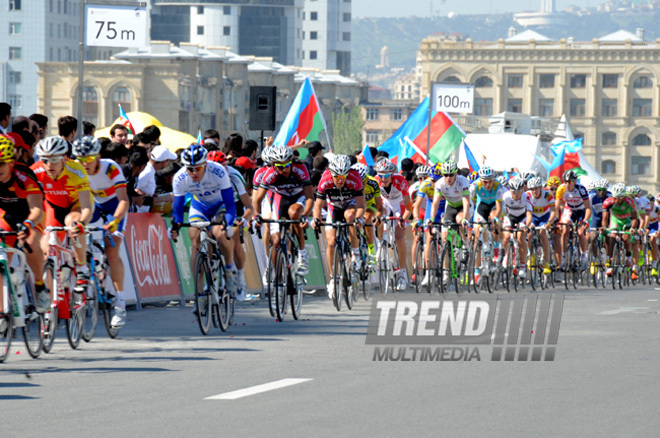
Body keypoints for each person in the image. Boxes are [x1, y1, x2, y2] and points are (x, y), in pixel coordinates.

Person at [72, 137, 129, 328]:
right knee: (78, 231)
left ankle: (120, 304)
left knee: (112, 251)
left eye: (88, 158)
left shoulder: (110, 168)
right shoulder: (76, 167)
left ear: (98, 156)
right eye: (80, 159)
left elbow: (123, 200)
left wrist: (115, 221)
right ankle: (90, 264)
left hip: (114, 207)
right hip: (94, 205)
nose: (84, 163)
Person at [170, 144, 238, 300]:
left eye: (198, 169)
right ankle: (198, 292)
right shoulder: (180, 178)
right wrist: (176, 227)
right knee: (195, 243)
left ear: (205, 165)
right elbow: (178, 211)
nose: (194, 173)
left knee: (219, 233)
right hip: (199, 206)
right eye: (190, 169)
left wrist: (228, 223)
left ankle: (229, 268)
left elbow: (230, 205)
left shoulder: (218, 171)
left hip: (220, 205)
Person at [31, 136, 94, 299]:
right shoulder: (36, 171)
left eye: (54, 160)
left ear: (64, 158)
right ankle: (51, 295)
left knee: (72, 223)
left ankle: (81, 269)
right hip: (53, 206)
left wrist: (82, 223)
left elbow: (87, 206)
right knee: (46, 246)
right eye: (45, 160)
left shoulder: (77, 171)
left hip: (76, 205)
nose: (49, 165)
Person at [0, 135, 48, 315]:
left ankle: (40, 286)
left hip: (30, 214)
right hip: (6, 215)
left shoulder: (24, 175)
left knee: (29, 243)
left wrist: (28, 224)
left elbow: (37, 209)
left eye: (1, 164)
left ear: (11, 162)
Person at [253, 145, 313, 276]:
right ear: (274, 165)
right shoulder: (270, 173)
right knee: (276, 241)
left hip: (299, 196)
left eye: (287, 165)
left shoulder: (301, 168)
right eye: (280, 167)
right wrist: (256, 216)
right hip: (281, 197)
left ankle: (302, 256)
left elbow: (309, 197)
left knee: (294, 212)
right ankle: (278, 281)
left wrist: (305, 215)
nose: (284, 169)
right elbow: (258, 198)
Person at [313, 155, 365, 299]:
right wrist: (316, 219)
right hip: (333, 208)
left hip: (350, 206)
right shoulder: (325, 181)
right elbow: (317, 205)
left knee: (350, 217)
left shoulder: (355, 178)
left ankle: (355, 253)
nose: (341, 180)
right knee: (331, 242)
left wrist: (359, 218)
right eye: (337, 177)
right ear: (331, 174)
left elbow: (361, 206)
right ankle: (333, 279)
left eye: (344, 176)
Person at [375, 158, 412, 290]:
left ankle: (402, 275)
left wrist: (403, 218)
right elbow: (376, 205)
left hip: (399, 205)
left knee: (399, 239)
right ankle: (380, 244)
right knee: (379, 218)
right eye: (380, 175)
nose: (383, 178)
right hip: (385, 203)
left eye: (386, 175)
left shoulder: (400, 181)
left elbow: (409, 207)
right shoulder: (376, 181)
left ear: (391, 174)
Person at [555, 170, 591, 271]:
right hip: (569, 209)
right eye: (565, 181)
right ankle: (563, 256)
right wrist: (557, 221)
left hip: (581, 210)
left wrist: (586, 220)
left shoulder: (581, 189)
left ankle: (584, 256)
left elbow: (588, 208)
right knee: (565, 230)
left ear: (575, 182)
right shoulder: (561, 189)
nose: (567, 184)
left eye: (570, 182)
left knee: (580, 232)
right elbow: (557, 207)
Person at [603, 183, 638, 276]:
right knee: (612, 238)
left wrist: (632, 228)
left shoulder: (630, 201)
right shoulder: (608, 202)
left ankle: (628, 256)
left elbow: (635, 218)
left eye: (618, 198)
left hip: (627, 221)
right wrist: (604, 228)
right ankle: (609, 263)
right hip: (615, 220)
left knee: (626, 238)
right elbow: (605, 218)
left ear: (623, 197)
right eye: (614, 198)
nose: (616, 200)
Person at [501, 178, 533, 279]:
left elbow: (529, 214)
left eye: (519, 191)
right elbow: (501, 212)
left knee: (520, 237)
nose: (516, 194)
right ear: (510, 190)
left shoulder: (527, 197)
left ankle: (522, 267)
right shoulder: (505, 197)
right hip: (510, 217)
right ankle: (506, 254)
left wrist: (526, 226)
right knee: (506, 236)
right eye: (514, 192)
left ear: (522, 190)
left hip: (522, 218)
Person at [526, 176, 555, 275]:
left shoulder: (548, 195)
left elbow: (553, 212)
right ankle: (531, 255)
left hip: (544, 217)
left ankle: (547, 262)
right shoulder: (527, 195)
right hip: (533, 217)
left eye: (537, 188)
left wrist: (549, 222)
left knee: (543, 234)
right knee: (529, 234)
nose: (535, 191)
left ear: (541, 188)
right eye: (533, 189)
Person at [134, 145, 177, 212]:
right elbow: (134, 191)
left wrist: (151, 194)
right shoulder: (147, 172)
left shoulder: (150, 170)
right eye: (167, 160)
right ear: (163, 162)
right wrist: (163, 198)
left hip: (144, 211)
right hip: (139, 213)